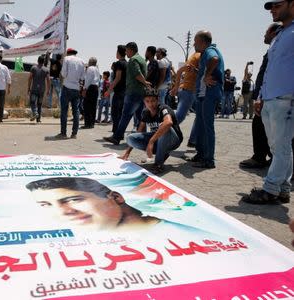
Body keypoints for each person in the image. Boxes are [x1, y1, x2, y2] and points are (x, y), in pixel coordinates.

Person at [242, 0, 294, 205]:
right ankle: (283, 188)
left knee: (281, 147)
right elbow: (271, 68)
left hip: (287, 99)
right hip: (271, 98)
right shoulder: (279, 35)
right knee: (278, 147)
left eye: (277, 5)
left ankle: (270, 189)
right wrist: (261, 95)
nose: (272, 9)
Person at [26, 177, 161, 231]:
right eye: (45, 204)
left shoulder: (171, 235)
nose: (62, 212)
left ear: (116, 197)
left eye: (73, 200)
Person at [239, 23, 281, 169]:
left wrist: (263, 96)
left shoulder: (279, 48)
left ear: (273, 32)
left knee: (277, 130)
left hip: (272, 96)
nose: (264, 35)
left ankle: (268, 159)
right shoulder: (273, 48)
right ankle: (263, 157)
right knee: (261, 125)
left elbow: (272, 74)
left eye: (266, 32)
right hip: (266, 95)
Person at [119, 89, 183, 174]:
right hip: (159, 140)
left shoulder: (164, 109)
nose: (150, 104)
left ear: (158, 100)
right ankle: (163, 153)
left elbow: (168, 122)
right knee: (130, 138)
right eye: (147, 101)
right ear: (144, 102)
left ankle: (158, 164)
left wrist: (151, 142)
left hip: (173, 140)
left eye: (153, 101)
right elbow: (139, 131)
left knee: (164, 126)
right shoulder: (145, 112)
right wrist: (127, 153)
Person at [187, 31, 224, 169]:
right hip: (204, 94)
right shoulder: (204, 54)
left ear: (203, 42)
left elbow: (214, 60)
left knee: (207, 126)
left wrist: (207, 75)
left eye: (195, 42)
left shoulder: (210, 50)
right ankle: (201, 154)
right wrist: (200, 72)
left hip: (209, 93)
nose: (194, 44)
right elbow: (205, 70)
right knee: (201, 126)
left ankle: (209, 159)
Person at [104, 42, 150, 145]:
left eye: (127, 50)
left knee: (125, 115)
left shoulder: (133, 60)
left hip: (133, 92)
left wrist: (144, 82)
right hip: (140, 92)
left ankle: (116, 137)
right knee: (140, 117)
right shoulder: (142, 59)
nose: (126, 52)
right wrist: (144, 83)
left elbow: (137, 74)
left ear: (131, 50)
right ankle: (145, 138)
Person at [56, 47, 85, 139]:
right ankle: (74, 134)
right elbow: (83, 77)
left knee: (64, 111)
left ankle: (63, 133)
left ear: (68, 53)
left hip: (67, 87)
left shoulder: (66, 59)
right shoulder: (81, 61)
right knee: (76, 111)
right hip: (76, 89)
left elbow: (63, 74)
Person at [170, 52, 201, 124]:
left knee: (200, 116)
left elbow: (180, 71)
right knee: (179, 116)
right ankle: (164, 130)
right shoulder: (199, 56)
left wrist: (176, 87)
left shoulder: (194, 56)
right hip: (189, 90)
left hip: (186, 90)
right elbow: (180, 70)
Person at [105, 45, 127, 134]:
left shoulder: (119, 63)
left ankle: (116, 134)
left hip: (118, 92)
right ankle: (120, 133)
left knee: (115, 113)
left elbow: (117, 78)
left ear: (118, 53)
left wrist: (109, 90)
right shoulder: (127, 63)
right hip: (125, 91)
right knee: (121, 114)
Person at [27, 55, 50, 123]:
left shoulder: (33, 68)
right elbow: (48, 80)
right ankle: (38, 119)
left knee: (32, 102)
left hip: (34, 89)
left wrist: (28, 87)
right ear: (43, 62)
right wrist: (48, 90)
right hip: (42, 90)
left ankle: (35, 112)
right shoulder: (46, 69)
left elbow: (30, 78)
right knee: (39, 104)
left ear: (37, 61)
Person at [81, 57, 100, 129]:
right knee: (93, 106)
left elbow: (88, 80)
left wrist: (84, 89)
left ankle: (87, 124)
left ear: (90, 62)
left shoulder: (90, 68)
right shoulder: (97, 69)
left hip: (90, 87)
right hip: (96, 88)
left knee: (87, 106)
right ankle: (92, 123)